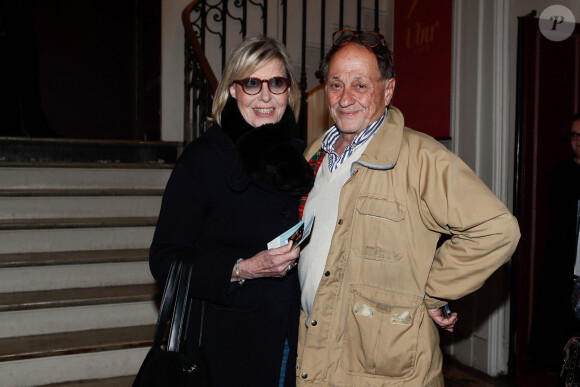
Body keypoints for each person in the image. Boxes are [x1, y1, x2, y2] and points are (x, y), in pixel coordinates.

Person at [295, 30, 521, 386]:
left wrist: (433, 291)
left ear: (388, 90)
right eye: (336, 84)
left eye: (360, 85)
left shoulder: (422, 158)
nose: (345, 98)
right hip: (317, 353)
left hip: (386, 371)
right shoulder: (314, 155)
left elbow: (497, 229)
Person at [149, 34, 314, 387]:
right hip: (224, 347)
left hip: (288, 338)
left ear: (290, 92)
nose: (266, 95)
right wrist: (243, 270)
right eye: (252, 82)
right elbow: (164, 260)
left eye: (277, 83)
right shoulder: (203, 160)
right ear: (233, 91)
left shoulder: (296, 160)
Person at [529, 113, 580, 372]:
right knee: (563, 340)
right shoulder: (562, 172)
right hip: (565, 271)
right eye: (575, 135)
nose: (579, 141)